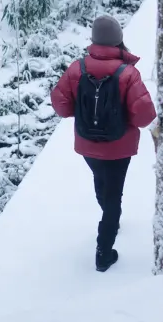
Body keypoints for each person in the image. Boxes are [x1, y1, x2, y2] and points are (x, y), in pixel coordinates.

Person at [50, 14, 156, 272]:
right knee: (113, 196)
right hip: (119, 147)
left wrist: (82, 110)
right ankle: (104, 253)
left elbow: (61, 105)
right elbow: (144, 116)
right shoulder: (128, 73)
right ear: (119, 40)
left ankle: (110, 218)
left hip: (87, 143)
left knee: (100, 179)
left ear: (94, 39)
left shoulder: (77, 68)